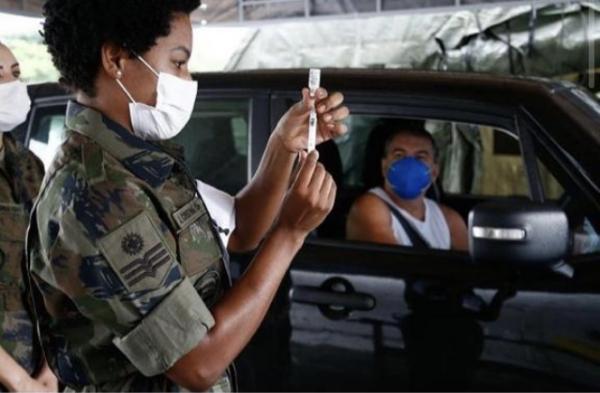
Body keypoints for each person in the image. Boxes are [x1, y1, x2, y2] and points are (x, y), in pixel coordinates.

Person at [27, 0, 349, 392]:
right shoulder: (98, 195)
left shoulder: (136, 159)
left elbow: (239, 229)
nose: (187, 77)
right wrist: (290, 234)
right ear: (115, 59)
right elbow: (198, 364)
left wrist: (283, 144)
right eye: (178, 62)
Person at [0, 42, 57, 392]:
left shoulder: (27, 164)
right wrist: (19, 381)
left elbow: (51, 267)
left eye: (15, 73)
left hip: (39, 365)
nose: (10, 84)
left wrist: (51, 367)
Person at [346, 119, 468, 251]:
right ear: (384, 167)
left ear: (434, 172)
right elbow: (393, 266)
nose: (409, 164)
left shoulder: (449, 219)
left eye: (420, 157)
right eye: (399, 155)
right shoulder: (370, 208)